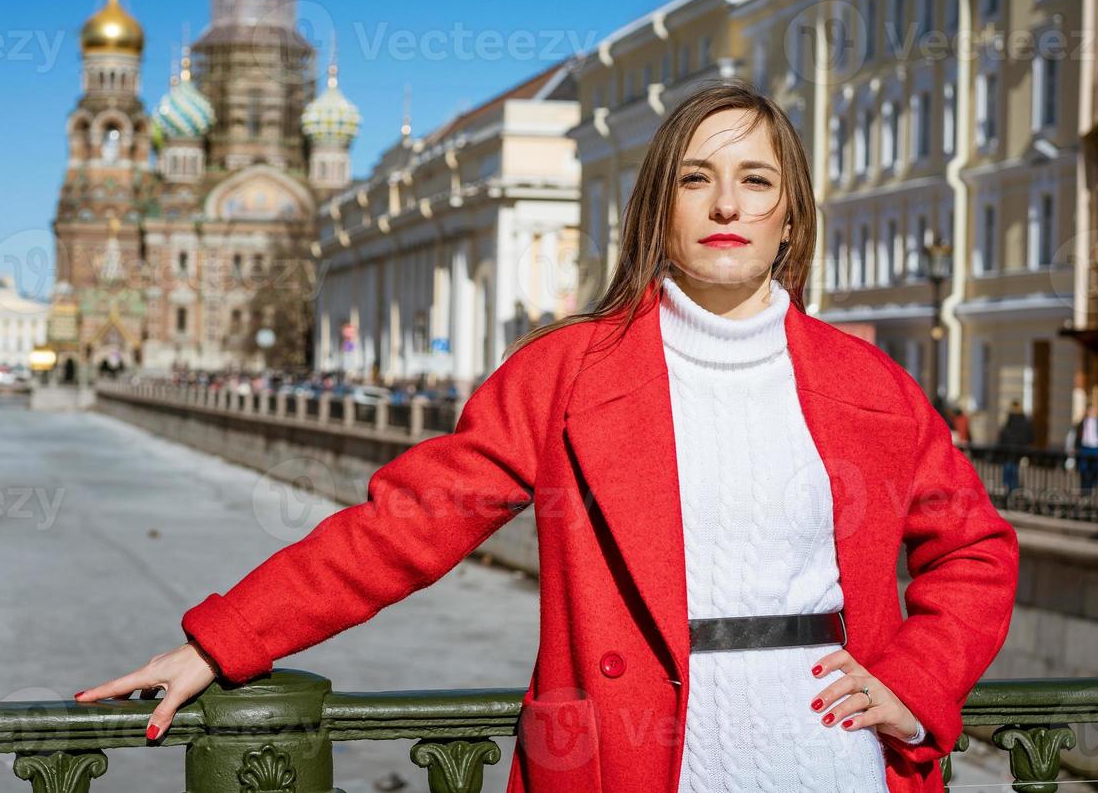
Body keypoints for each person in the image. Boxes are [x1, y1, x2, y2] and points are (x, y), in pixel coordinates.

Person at [74, 83, 1020, 793]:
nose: (727, 206)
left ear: (788, 215)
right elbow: (402, 528)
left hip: (828, 757)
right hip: (629, 758)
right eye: (698, 179)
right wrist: (224, 641)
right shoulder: (568, 373)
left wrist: (917, 680)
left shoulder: (866, 385)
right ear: (660, 208)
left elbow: (975, 548)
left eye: (755, 181)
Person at [995, 400, 1034, 501]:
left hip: (1008, 453)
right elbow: (1029, 437)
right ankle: (1014, 495)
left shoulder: (1010, 420)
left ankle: (1010, 495)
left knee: (1008, 475)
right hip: (1018, 453)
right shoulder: (1025, 421)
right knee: (1015, 475)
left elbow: (1003, 437)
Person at [1068, 402, 1098, 497]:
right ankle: (1085, 490)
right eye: (1090, 410)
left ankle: (1092, 487)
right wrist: (1075, 448)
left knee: (1095, 470)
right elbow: (1075, 436)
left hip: (1095, 448)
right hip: (1084, 448)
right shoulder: (1081, 423)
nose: (1092, 412)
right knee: (1084, 470)